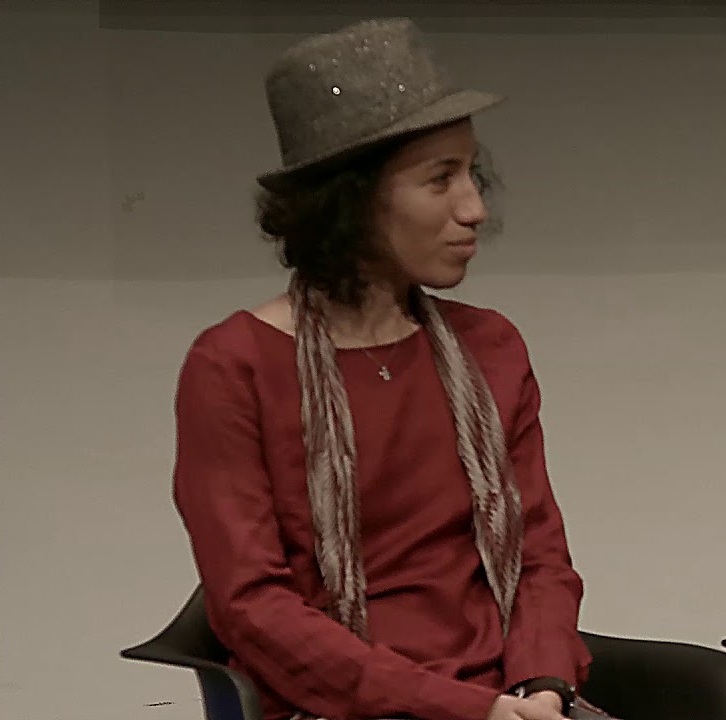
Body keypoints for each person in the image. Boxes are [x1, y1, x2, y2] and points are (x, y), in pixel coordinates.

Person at [171, 18, 599, 720]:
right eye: (440, 179)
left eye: (472, 173)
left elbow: (542, 561)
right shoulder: (234, 367)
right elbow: (252, 608)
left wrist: (540, 686)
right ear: (352, 199)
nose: (475, 209)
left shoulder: (492, 347)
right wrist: (462, 709)